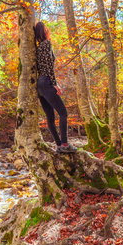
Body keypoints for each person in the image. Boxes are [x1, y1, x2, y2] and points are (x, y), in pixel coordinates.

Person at [34, 21, 77, 153]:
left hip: (39, 86)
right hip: (46, 82)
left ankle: (59, 146)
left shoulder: (36, 48)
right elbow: (49, 66)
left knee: (50, 117)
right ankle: (64, 144)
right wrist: (54, 84)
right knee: (63, 112)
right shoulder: (47, 44)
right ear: (45, 31)